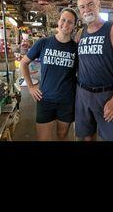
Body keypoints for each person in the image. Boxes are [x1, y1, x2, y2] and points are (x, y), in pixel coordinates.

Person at [75, 0, 113, 141]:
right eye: (82, 7)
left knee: (111, 138)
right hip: (83, 94)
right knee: (87, 136)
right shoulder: (80, 33)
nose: (86, 10)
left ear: (99, 4)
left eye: (90, 4)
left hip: (106, 95)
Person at [20, 8, 78, 141]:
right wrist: (31, 86)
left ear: (74, 25)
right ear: (58, 21)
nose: (66, 24)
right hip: (45, 99)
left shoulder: (76, 48)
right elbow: (23, 63)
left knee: (62, 136)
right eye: (63, 20)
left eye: (70, 22)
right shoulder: (43, 43)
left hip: (67, 101)